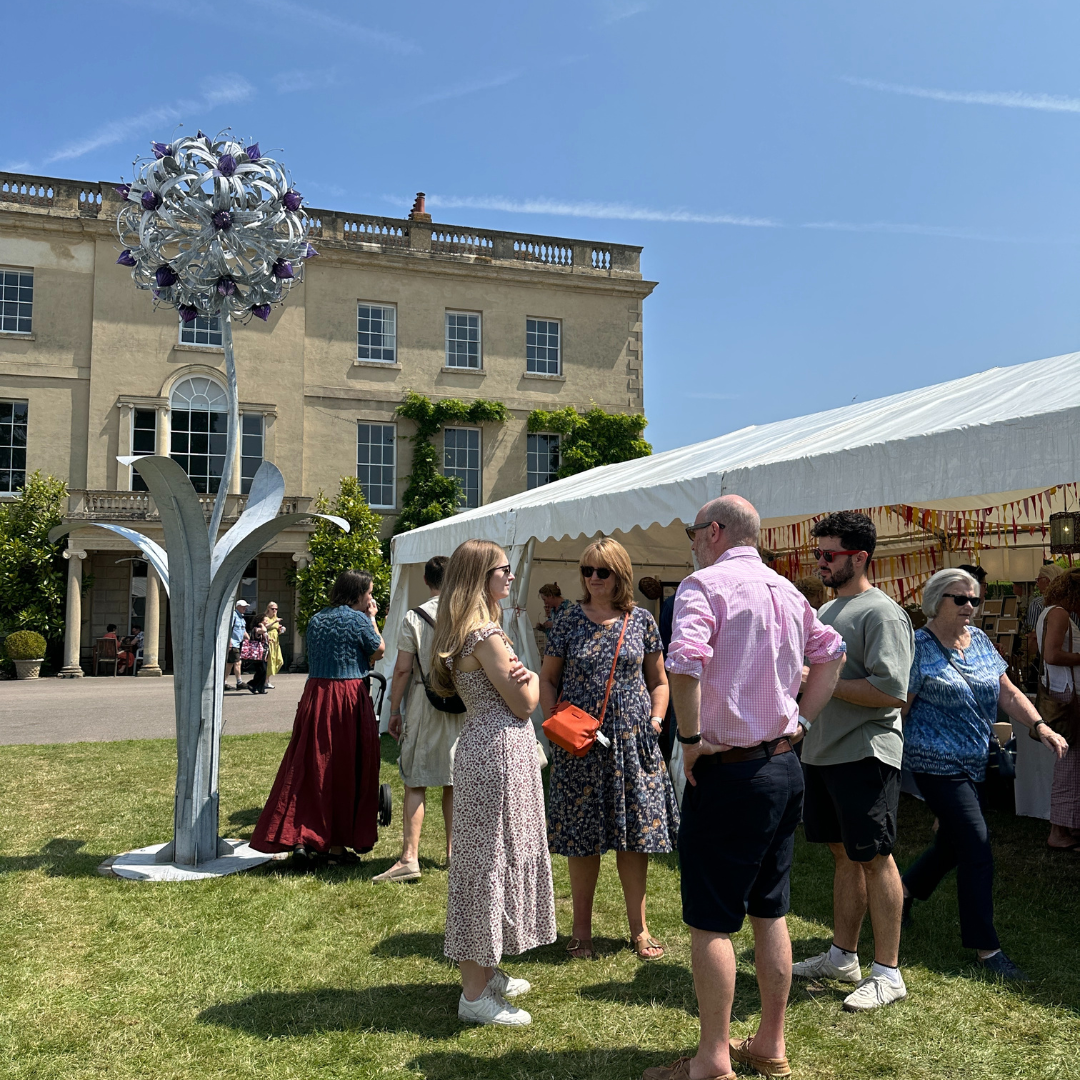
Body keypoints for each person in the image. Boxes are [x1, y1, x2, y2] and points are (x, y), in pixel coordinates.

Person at [643, 496, 845, 1080]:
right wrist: (802, 720)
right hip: (782, 766)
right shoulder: (787, 590)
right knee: (769, 909)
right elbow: (832, 653)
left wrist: (689, 738)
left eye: (692, 531)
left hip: (731, 770)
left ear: (714, 531)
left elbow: (684, 661)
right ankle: (770, 1045)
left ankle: (712, 1061)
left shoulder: (704, 585)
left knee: (711, 919)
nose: (690, 541)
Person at [901, 568, 1068, 981]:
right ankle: (986, 948)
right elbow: (900, 707)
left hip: (976, 761)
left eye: (974, 599)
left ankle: (902, 893)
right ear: (935, 601)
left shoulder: (977, 640)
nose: (970, 606)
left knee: (952, 843)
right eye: (960, 599)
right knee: (976, 845)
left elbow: (1007, 691)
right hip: (935, 763)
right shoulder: (917, 647)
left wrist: (1040, 726)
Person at [430, 539, 556, 1027]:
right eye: (503, 569)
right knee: (486, 866)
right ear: (480, 577)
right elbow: (526, 702)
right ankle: (475, 994)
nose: (510, 575)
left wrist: (526, 681)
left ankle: (485, 972)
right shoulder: (484, 635)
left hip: (490, 749)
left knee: (492, 860)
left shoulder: (474, 629)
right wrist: (531, 679)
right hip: (497, 753)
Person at [792, 512, 914, 1011]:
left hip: (865, 752)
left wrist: (820, 681)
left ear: (859, 557)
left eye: (829, 554)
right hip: (824, 751)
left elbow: (892, 692)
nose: (820, 562)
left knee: (875, 857)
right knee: (844, 854)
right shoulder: (827, 609)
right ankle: (843, 956)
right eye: (817, 553)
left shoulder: (882, 613)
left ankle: (889, 972)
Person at [539, 538, 679, 962]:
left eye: (603, 571)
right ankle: (581, 931)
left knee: (634, 837)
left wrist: (656, 721)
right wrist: (554, 724)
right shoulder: (567, 618)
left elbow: (659, 681)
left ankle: (640, 929)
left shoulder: (641, 621)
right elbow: (548, 678)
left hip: (633, 742)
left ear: (621, 575)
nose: (593, 578)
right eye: (587, 570)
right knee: (582, 837)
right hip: (580, 745)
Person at [250, 570, 385, 866]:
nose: (370, 598)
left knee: (311, 763)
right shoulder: (359, 620)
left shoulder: (317, 619)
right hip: (347, 696)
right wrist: (373, 618)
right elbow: (378, 651)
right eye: (369, 593)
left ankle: (302, 836)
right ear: (357, 593)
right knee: (345, 766)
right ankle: (335, 846)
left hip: (316, 694)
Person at [379, 555, 461, 883]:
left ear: (426, 580)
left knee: (416, 780)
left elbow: (402, 669)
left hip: (423, 701)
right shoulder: (466, 613)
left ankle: (410, 857)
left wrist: (393, 710)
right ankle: (454, 854)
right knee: (453, 780)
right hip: (460, 703)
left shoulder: (414, 616)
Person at [1034, 568, 1080, 851]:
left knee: (1070, 762)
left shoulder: (1049, 612)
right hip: (1069, 695)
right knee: (1070, 764)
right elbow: (1052, 655)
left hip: (1063, 692)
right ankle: (1059, 830)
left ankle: (1067, 825)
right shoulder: (1060, 614)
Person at [1026, 564, 1066, 658]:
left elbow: (1033, 636)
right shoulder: (1071, 602)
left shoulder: (1037, 604)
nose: (1037, 584)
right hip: (1071, 655)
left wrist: (1028, 658)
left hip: (1045, 656)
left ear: (1047, 580)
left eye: (1038, 580)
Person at [263, 601, 287, 689]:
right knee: (270, 661)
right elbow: (265, 627)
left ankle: (266, 680)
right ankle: (266, 681)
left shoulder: (275, 618)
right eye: (272, 609)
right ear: (268, 609)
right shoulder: (266, 618)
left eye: (276, 609)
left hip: (275, 642)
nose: (274, 611)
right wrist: (274, 622)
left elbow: (277, 631)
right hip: (268, 641)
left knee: (279, 660)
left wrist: (281, 629)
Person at [244, 614, 270, 694]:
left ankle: (260, 688)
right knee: (262, 670)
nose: (267, 622)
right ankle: (251, 684)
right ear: (260, 621)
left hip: (264, 653)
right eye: (265, 620)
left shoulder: (261, 629)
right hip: (258, 653)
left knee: (263, 671)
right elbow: (264, 630)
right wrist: (262, 625)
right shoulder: (256, 629)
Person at [227, 599, 249, 691]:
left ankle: (223, 682)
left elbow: (243, 631)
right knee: (237, 662)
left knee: (229, 664)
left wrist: (249, 639)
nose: (245, 608)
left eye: (245, 607)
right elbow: (228, 629)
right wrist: (229, 642)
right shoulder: (234, 616)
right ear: (238, 607)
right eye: (243, 607)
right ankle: (239, 682)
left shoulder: (242, 618)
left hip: (238, 643)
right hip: (233, 643)